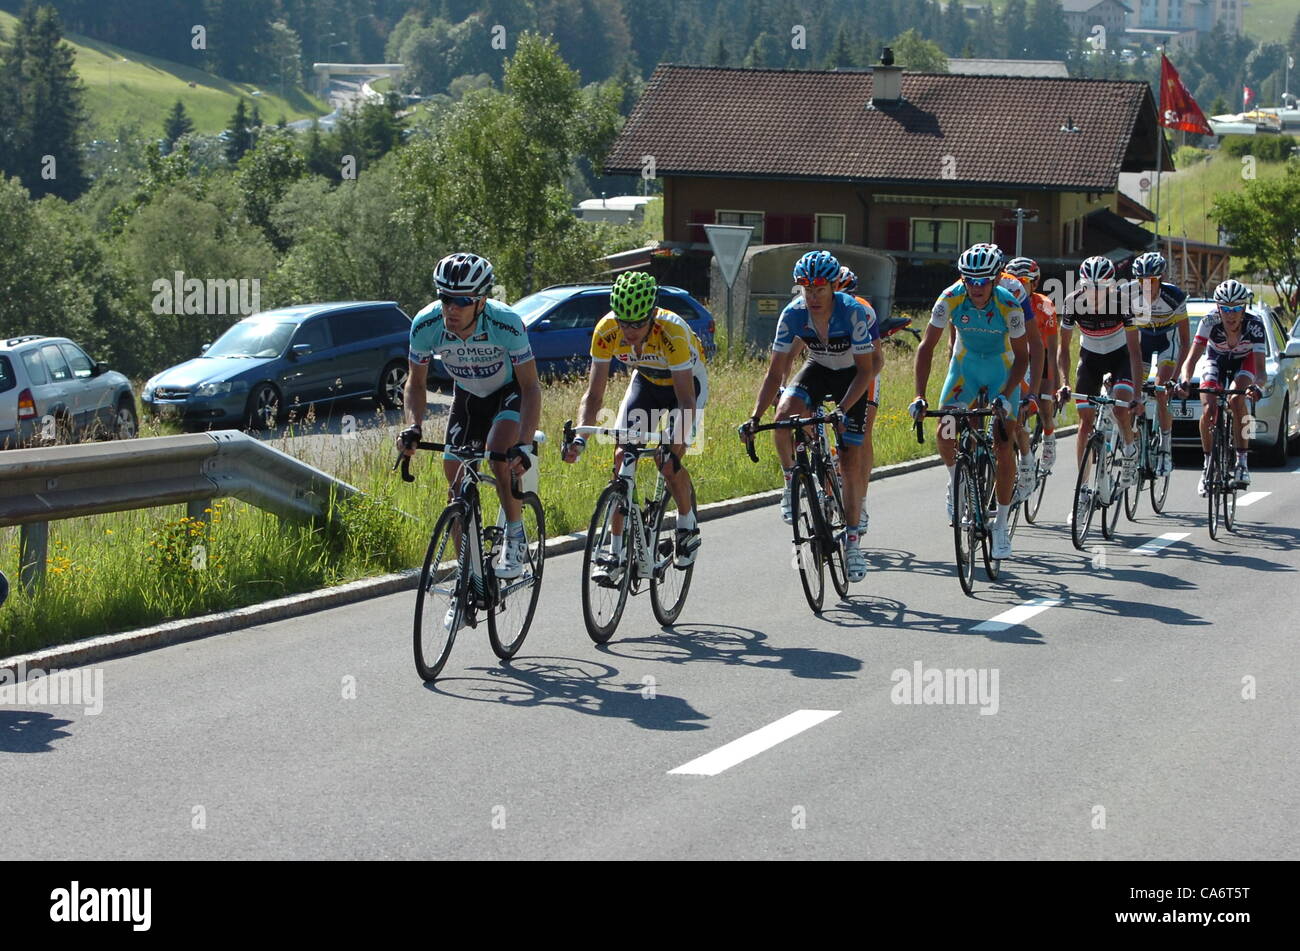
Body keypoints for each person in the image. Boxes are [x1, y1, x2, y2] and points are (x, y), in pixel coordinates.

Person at [399, 252, 543, 588]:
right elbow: (415, 384)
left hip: (509, 392)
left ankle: (514, 532)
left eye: (462, 301)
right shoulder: (425, 324)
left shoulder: (506, 323)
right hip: (467, 395)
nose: (452, 308)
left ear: (481, 301)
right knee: (453, 474)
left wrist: (523, 443)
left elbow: (531, 387)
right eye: (445, 298)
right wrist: (413, 427)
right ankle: (470, 574)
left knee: (497, 454)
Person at [741, 250, 878, 583]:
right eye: (806, 288)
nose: (813, 296)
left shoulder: (853, 313)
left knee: (848, 459)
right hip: (816, 369)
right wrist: (755, 416)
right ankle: (791, 481)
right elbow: (775, 374)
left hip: (851, 377)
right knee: (784, 416)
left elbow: (867, 371)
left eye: (819, 288)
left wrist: (842, 409)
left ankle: (853, 544)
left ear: (833, 287)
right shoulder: (793, 314)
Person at [562, 270, 708, 577]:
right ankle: (615, 554)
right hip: (646, 382)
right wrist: (580, 438)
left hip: (686, 388)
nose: (629, 330)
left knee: (668, 462)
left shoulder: (673, 332)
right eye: (624, 321)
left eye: (638, 323)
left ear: (652, 314)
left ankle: (686, 523)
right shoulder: (606, 330)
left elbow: (685, 401)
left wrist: (672, 443)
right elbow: (594, 395)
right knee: (621, 457)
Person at [909, 245, 1030, 560]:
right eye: (970, 281)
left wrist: (1007, 393)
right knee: (945, 430)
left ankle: (1001, 525)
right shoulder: (949, 297)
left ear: (995, 279)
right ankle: (956, 481)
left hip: (1002, 369)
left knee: (1004, 443)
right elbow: (927, 347)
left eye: (983, 281)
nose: (976, 288)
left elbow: (1022, 357)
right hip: (965, 368)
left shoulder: (1010, 304)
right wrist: (919, 395)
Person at [1056, 255, 1145, 501]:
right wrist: (1064, 383)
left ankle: (1128, 449)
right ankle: (1083, 487)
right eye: (1088, 288)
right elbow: (1063, 348)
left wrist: (1137, 396)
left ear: (1112, 287)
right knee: (1085, 423)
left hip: (1120, 359)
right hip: (1091, 360)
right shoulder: (1072, 302)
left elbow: (1135, 352)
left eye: (1101, 288)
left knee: (1121, 408)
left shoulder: (1123, 303)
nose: (1094, 294)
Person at [1176, 278, 1266, 494]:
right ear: (1218, 308)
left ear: (1243, 308)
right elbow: (1191, 360)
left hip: (1245, 362)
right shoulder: (1209, 322)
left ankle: (1242, 462)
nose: (1230, 314)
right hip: (1215, 359)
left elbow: (1261, 372)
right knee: (1208, 409)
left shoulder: (1255, 325)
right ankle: (1207, 465)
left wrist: (1257, 387)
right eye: (1225, 309)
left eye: (1236, 308)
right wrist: (1185, 380)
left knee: (1237, 399)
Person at [1126, 251, 1189, 477]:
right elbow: (1128, 344)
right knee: (1133, 394)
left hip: (1167, 344)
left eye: (1151, 280)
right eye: (1141, 280)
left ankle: (1165, 446)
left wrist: (1176, 377)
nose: (1146, 285)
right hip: (1141, 345)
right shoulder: (1128, 296)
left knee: (1161, 391)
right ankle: (1130, 446)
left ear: (1160, 278)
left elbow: (1185, 340)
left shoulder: (1174, 297)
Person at [1005, 256, 1059, 472]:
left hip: (1039, 355)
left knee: (1045, 401)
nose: (1018, 285)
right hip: (1014, 356)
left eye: (1024, 281)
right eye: (1014, 280)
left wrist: (1053, 383)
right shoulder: (1003, 301)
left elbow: (1052, 350)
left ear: (1035, 283)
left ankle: (1049, 435)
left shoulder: (1045, 306)